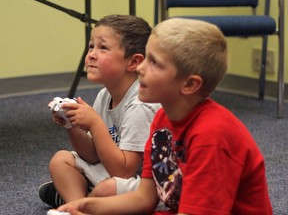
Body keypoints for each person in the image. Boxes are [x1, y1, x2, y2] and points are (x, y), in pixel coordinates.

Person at [56, 18, 273, 214]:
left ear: (189, 84)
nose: (140, 68)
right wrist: (87, 206)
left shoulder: (211, 135)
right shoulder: (162, 121)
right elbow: (144, 198)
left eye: (154, 63)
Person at [39, 14, 160, 208]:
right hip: (111, 171)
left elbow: (124, 172)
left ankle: (83, 201)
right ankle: (80, 204)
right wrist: (72, 124)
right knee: (60, 160)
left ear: (133, 62)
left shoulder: (140, 104)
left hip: (141, 185)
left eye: (103, 47)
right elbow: (92, 155)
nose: (91, 55)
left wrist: (94, 123)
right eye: (91, 46)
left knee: (106, 189)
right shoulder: (105, 95)